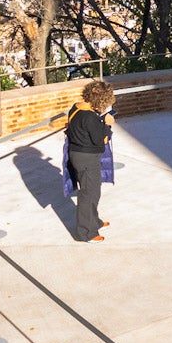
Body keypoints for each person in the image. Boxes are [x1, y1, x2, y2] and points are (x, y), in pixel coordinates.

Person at [66, 80, 116, 242]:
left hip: (78, 154)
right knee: (89, 193)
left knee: (93, 190)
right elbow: (99, 140)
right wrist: (107, 125)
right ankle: (86, 233)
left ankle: (94, 221)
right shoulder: (90, 118)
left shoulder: (76, 108)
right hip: (87, 158)